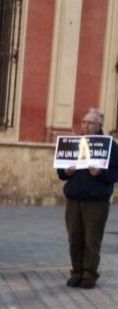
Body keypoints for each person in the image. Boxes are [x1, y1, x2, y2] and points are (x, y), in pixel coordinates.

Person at [57, 108, 118, 289]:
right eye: (84, 122)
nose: (86, 126)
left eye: (91, 123)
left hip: (96, 201)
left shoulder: (110, 146)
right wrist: (65, 171)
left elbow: (115, 173)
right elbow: (61, 171)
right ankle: (76, 272)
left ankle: (89, 274)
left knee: (92, 240)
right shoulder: (73, 143)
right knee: (75, 238)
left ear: (100, 125)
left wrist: (100, 173)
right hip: (74, 199)